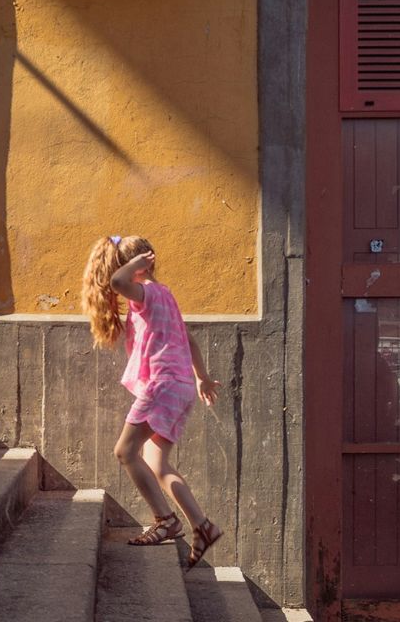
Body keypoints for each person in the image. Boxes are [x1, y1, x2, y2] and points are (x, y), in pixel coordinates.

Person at [81, 234, 225, 566]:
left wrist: (134, 266)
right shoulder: (165, 295)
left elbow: (117, 281)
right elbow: (187, 338)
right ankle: (202, 527)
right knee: (156, 463)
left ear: (137, 266)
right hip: (180, 387)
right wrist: (201, 377)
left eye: (124, 265)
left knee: (124, 451)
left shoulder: (144, 293)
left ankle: (166, 520)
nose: (119, 273)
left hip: (162, 386)